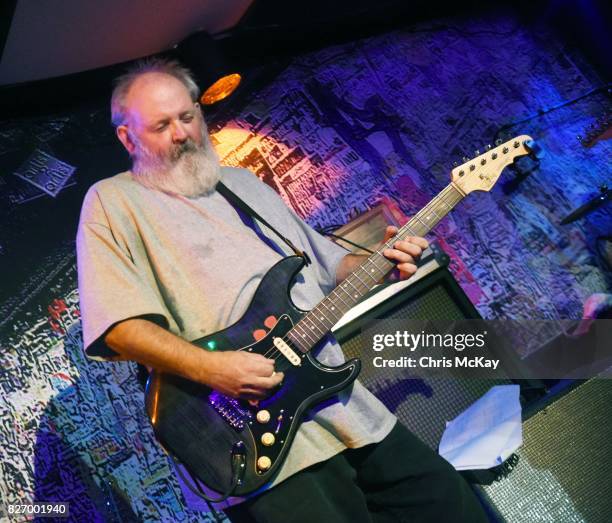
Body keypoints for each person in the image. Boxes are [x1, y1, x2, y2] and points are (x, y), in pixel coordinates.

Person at [76, 58, 488, 522]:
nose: (181, 134)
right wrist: (214, 369)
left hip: (345, 409)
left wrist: (384, 263)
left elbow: (330, 268)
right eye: (161, 125)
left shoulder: (241, 184)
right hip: (251, 437)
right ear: (128, 138)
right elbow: (117, 329)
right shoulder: (113, 201)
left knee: (451, 504)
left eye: (188, 117)